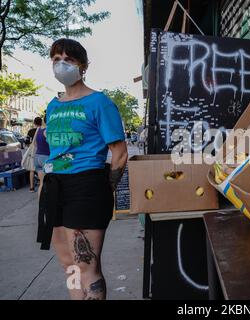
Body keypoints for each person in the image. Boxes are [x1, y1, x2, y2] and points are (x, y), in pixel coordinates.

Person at [37, 38, 128, 300]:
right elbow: (53, 153)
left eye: (69, 60)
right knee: (69, 266)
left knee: (86, 267)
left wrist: (102, 188)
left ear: (83, 66)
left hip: (87, 185)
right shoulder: (53, 107)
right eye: (56, 59)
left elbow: (119, 154)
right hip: (54, 188)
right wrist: (43, 186)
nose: (61, 64)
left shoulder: (100, 103)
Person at [34, 112, 50, 196]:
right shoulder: (48, 130)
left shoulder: (38, 129)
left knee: (42, 183)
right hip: (46, 158)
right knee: (49, 184)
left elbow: (34, 144)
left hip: (37, 157)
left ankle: (41, 206)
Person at [26, 117, 42, 192]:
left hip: (33, 153)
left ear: (34, 123)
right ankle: (42, 185)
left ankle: (31, 187)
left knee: (32, 170)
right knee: (42, 169)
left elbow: (26, 143)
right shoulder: (43, 130)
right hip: (42, 152)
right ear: (41, 123)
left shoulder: (30, 131)